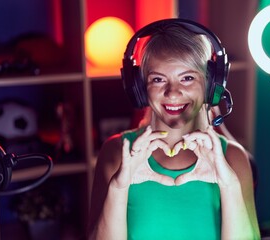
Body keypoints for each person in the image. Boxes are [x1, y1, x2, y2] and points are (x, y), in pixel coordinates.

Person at [88, 19, 260, 240]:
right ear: (140, 88)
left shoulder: (233, 158)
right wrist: (119, 189)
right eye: (158, 79)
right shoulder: (116, 153)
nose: (172, 93)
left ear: (210, 84)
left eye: (187, 78)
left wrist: (228, 185)